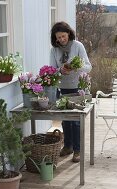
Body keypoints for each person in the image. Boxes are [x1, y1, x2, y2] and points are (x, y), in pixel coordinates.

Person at [49, 21, 92, 162]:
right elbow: (51, 70)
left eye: (63, 36)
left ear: (68, 33)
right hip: (62, 88)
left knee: (75, 121)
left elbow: (88, 67)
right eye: (58, 37)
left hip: (77, 88)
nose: (61, 39)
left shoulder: (78, 46)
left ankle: (77, 150)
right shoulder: (54, 50)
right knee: (65, 120)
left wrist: (75, 67)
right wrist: (60, 70)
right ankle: (67, 146)